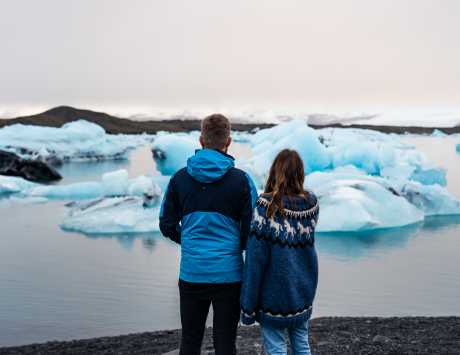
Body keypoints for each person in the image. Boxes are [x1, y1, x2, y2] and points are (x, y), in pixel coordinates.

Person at [159, 114, 257, 355]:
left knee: (190, 341)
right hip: (229, 276)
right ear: (229, 141)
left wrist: (189, 241)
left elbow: (166, 223)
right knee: (225, 343)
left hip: (192, 273)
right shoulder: (242, 180)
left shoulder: (179, 179)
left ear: (201, 140)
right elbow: (252, 229)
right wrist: (234, 246)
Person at [240, 149, 319, 355]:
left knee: (275, 349)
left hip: (273, 297)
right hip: (302, 292)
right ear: (300, 173)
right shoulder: (311, 204)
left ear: (275, 172)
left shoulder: (266, 206)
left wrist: (248, 306)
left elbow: (255, 259)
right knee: (302, 343)